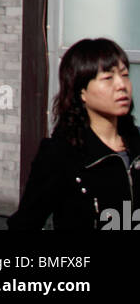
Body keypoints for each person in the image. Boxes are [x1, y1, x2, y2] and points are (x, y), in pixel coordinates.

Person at [8, 37, 139, 230]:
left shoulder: (136, 146)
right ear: (81, 92)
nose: (121, 85)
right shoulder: (61, 155)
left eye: (125, 75)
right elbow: (25, 224)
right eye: (108, 78)